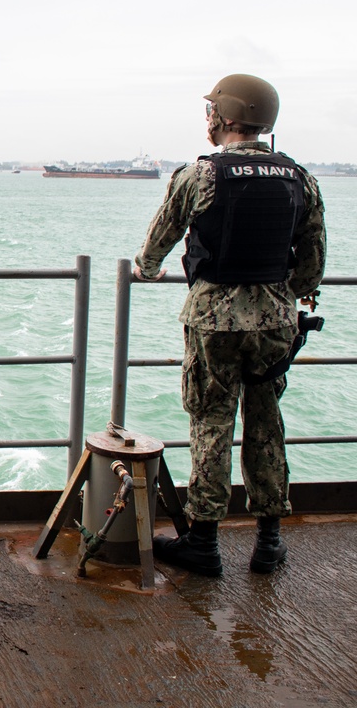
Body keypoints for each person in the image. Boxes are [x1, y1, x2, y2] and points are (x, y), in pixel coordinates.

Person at [134, 74, 326, 577]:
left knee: (211, 423)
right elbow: (312, 260)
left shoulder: (201, 175)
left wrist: (145, 270)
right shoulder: (298, 178)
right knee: (266, 425)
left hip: (213, 320)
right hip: (276, 323)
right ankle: (268, 541)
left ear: (225, 117)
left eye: (211, 111)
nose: (208, 119)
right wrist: (294, 289)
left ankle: (204, 541)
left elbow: (158, 241)